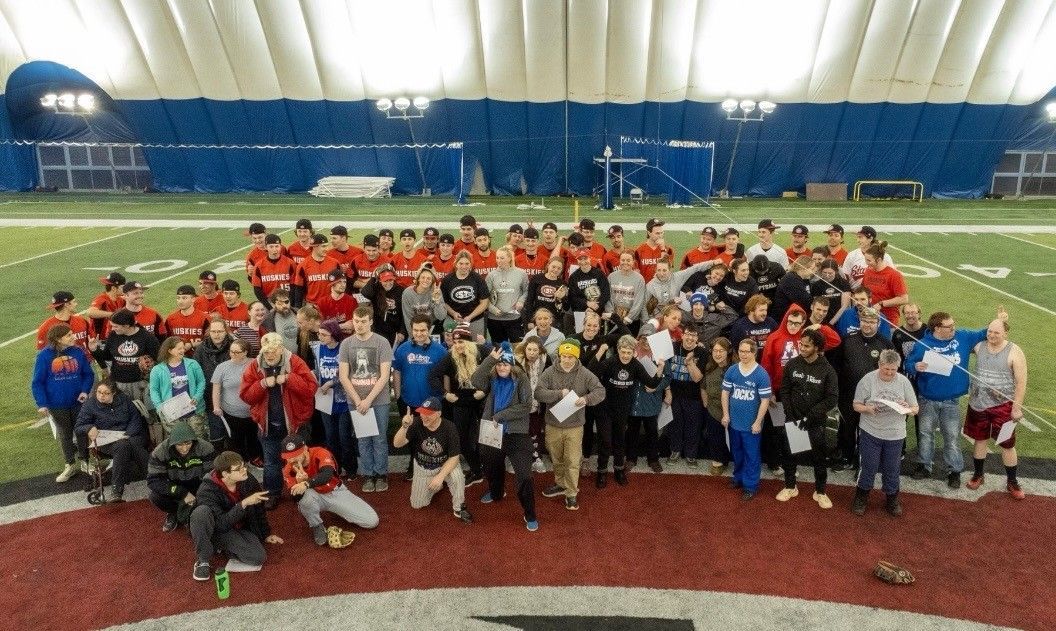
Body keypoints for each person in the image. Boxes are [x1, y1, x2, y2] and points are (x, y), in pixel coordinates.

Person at [240, 332, 318, 506]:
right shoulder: (255, 366)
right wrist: (262, 384)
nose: (270, 356)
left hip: (295, 424)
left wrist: (290, 379)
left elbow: (310, 389)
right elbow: (246, 396)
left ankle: (302, 491)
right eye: (266, 352)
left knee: (299, 460)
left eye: (274, 352)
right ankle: (273, 494)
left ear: (282, 349)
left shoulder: (295, 362)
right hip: (268, 425)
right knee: (271, 463)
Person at [471, 343, 539, 531]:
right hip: (492, 432)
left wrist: (501, 415)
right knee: (491, 466)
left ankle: (530, 513)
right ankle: (496, 492)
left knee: (524, 476)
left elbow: (526, 406)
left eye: (505, 364)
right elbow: (475, 380)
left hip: (516, 434)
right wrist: (490, 359)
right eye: (499, 364)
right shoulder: (491, 377)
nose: (502, 367)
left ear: (512, 366)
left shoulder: (521, 379)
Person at [535, 338, 606, 511]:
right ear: (559, 356)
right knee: (557, 458)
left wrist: (586, 399)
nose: (566, 360)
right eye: (563, 356)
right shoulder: (550, 372)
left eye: (570, 356)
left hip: (574, 426)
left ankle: (571, 493)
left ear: (576, 357)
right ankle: (561, 484)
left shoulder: (585, 373)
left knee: (573, 461)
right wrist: (559, 394)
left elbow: (600, 391)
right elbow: (538, 393)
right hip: (553, 424)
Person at [190, 450, 282, 581]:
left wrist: (266, 533)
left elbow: (259, 509)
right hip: (217, 529)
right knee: (201, 513)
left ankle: (220, 547)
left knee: (258, 557)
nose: (244, 470)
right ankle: (203, 559)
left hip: (237, 528)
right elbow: (221, 524)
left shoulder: (248, 480)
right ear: (225, 474)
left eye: (244, 466)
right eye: (239, 469)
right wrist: (243, 504)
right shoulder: (206, 491)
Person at [965, 318, 1028, 499]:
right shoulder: (979, 346)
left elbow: (1021, 383)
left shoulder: (1015, 351)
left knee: (1006, 444)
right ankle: (978, 475)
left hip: (1003, 407)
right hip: (978, 404)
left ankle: (1012, 481)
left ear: (1006, 333)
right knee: (980, 440)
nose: (992, 335)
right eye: (989, 331)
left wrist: (1016, 408)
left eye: (997, 333)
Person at [775, 329, 839, 509]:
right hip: (794, 419)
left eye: (806, 345)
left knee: (819, 458)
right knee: (790, 454)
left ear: (817, 348)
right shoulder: (792, 364)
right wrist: (791, 413)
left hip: (815, 422)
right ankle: (790, 486)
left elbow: (832, 398)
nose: (801, 348)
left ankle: (820, 491)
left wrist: (810, 416)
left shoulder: (827, 370)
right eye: (800, 344)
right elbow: (784, 390)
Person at [852, 349, 919, 516]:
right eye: (886, 369)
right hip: (870, 431)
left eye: (893, 370)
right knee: (869, 466)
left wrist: (907, 409)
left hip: (895, 434)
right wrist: (867, 408)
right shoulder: (867, 380)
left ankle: (892, 498)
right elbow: (856, 405)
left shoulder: (903, 382)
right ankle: (861, 496)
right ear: (879, 364)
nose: (889, 373)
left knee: (892, 468)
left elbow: (915, 408)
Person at [282, 433, 379, 545]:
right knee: (306, 499)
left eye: (296, 454)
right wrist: (299, 484)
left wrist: (306, 483)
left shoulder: (320, 452)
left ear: (305, 449)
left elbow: (327, 475)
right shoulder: (288, 469)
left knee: (371, 521)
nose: (292, 459)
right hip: (314, 496)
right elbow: (296, 500)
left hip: (335, 492)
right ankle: (317, 526)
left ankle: (338, 509)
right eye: (288, 457)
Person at [594, 335, 665, 486]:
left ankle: (619, 470)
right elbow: (592, 373)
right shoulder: (610, 362)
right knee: (605, 441)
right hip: (605, 408)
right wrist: (599, 353)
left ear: (634, 352)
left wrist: (660, 368)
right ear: (618, 350)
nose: (625, 355)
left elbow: (651, 383)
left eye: (628, 352)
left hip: (623, 409)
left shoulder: (636, 365)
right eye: (623, 352)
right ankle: (601, 471)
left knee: (620, 440)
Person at [338, 306, 394, 493]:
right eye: (356, 321)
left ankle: (381, 474)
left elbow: (384, 376)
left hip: (378, 400)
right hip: (355, 400)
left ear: (370, 322)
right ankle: (368, 474)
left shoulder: (382, 342)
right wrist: (357, 399)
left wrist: (368, 400)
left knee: (379, 438)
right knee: (363, 438)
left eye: (363, 321)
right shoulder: (346, 344)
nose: (359, 325)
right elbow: (344, 376)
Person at [392, 397, 472, 523]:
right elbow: (397, 444)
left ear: (439, 413)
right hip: (423, 467)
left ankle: (459, 507)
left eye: (428, 413)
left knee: (457, 477)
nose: (424, 416)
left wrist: (440, 476)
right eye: (422, 412)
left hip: (445, 465)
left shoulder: (449, 427)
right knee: (417, 504)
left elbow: (454, 457)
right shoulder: (416, 423)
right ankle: (438, 486)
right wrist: (404, 426)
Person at [32, 323, 94, 482]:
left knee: (81, 431)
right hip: (57, 404)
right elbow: (38, 382)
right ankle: (70, 465)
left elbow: (88, 374)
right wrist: (42, 403)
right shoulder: (44, 356)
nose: (73, 337)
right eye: (69, 335)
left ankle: (85, 462)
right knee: (65, 434)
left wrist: (85, 391)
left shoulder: (78, 351)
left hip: (78, 402)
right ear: (58, 339)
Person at [834, 307, 894, 471]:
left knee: (868, 431)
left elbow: (891, 372)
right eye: (864, 321)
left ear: (878, 323)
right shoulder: (847, 340)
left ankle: (865, 461)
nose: (867, 325)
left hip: (873, 397)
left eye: (871, 322)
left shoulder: (886, 344)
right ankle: (846, 456)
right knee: (846, 427)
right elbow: (837, 366)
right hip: (848, 394)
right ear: (859, 321)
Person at [74, 380, 150, 503]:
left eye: (106, 393)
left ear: (113, 393)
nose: (101, 396)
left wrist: (128, 434)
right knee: (124, 446)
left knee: (129, 444)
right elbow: (78, 427)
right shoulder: (90, 404)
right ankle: (154, 478)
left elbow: (135, 418)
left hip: (129, 435)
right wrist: (89, 428)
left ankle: (117, 490)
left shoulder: (124, 399)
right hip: (107, 440)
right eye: (99, 392)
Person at [721, 338, 772, 501]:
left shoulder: (761, 374)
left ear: (754, 352)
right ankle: (738, 478)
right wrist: (726, 414)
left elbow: (765, 400)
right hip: (734, 423)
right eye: (740, 351)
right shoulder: (732, 370)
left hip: (751, 426)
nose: (743, 354)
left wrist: (758, 422)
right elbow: (725, 393)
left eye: (746, 351)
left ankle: (750, 485)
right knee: (737, 453)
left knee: (752, 455)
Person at [147, 421, 215, 532]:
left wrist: (200, 493)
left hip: (199, 485)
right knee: (154, 496)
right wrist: (182, 493)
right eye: (179, 445)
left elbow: (212, 475)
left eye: (188, 443)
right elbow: (153, 480)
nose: (184, 448)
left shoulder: (206, 447)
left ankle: (194, 512)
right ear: (172, 443)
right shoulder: (160, 452)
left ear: (193, 440)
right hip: (175, 487)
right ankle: (174, 512)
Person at [91, 308, 160, 408]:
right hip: (118, 384)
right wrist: (95, 350)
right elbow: (107, 357)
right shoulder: (113, 335)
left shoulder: (147, 338)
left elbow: (158, 359)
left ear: (127, 325)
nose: (112, 328)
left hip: (141, 385)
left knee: (145, 415)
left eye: (115, 326)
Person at [314, 320, 355, 478]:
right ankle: (335, 468)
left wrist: (332, 382)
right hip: (325, 399)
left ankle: (350, 469)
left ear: (334, 334)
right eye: (319, 334)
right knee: (330, 437)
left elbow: (349, 372)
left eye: (324, 334)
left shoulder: (343, 348)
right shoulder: (318, 349)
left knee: (344, 437)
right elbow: (318, 370)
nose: (320, 337)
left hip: (342, 399)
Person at [149, 336, 209, 440]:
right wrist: (159, 407)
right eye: (179, 348)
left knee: (198, 439)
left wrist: (197, 397)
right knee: (177, 441)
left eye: (183, 347)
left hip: (194, 411)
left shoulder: (192, 364)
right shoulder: (157, 370)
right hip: (171, 413)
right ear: (170, 350)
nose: (183, 350)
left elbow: (201, 382)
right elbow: (154, 390)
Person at [627, 335, 671, 473]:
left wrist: (656, 387)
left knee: (652, 432)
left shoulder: (660, 356)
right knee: (632, 431)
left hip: (651, 401)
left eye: (649, 339)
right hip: (634, 399)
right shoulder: (631, 353)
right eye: (643, 339)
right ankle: (630, 458)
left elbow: (668, 377)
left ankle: (653, 459)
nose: (645, 342)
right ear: (638, 339)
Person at [211, 339, 258, 462]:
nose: (233, 354)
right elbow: (216, 388)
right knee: (235, 441)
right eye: (231, 351)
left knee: (253, 439)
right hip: (231, 413)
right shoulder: (222, 367)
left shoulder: (255, 364)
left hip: (253, 412)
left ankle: (254, 459)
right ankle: (239, 463)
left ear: (245, 352)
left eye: (237, 352)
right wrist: (216, 406)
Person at [665, 325, 706, 467]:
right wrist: (668, 392)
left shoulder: (702, 352)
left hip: (693, 397)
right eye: (688, 334)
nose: (690, 338)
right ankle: (675, 451)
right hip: (674, 394)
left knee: (693, 427)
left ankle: (691, 455)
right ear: (682, 335)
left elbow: (697, 378)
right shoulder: (672, 348)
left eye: (694, 336)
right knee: (674, 425)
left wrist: (689, 363)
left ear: (697, 338)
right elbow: (665, 373)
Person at [194, 315, 234, 444]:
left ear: (226, 331)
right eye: (213, 331)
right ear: (208, 332)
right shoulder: (201, 349)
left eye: (220, 331)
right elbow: (196, 373)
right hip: (210, 396)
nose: (216, 335)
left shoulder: (234, 347)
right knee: (216, 430)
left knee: (233, 430)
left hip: (231, 394)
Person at [515, 336, 552, 473]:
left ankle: (537, 457)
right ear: (525, 349)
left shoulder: (545, 359)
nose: (532, 353)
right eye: (529, 349)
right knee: (522, 432)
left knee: (536, 431)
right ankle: (521, 459)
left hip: (538, 403)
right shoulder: (517, 361)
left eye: (535, 350)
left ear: (540, 350)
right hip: (521, 403)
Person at [440, 251, 490, 339]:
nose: (464, 266)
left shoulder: (478, 279)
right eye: (461, 263)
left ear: (471, 264)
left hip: (475, 320)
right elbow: (443, 302)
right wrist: (453, 313)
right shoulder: (447, 280)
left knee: (475, 347)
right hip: (453, 319)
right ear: (456, 264)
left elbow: (485, 302)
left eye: (467, 263)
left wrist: (470, 317)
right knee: (452, 345)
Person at [701, 337, 733, 475]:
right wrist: (706, 402)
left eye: (721, 351)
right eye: (715, 351)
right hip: (713, 408)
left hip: (733, 409)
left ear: (728, 352)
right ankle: (718, 460)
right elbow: (703, 386)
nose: (718, 354)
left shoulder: (735, 368)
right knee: (715, 436)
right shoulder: (709, 367)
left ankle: (733, 460)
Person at [485, 246, 529, 343]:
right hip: (495, 319)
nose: (499, 260)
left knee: (517, 348)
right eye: (497, 258)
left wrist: (521, 301)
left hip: (514, 319)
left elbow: (526, 291)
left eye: (502, 258)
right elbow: (484, 297)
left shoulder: (521, 274)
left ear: (509, 258)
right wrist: (492, 309)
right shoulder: (491, 275)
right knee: (499, 349)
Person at [861, 241, 909, 326]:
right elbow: (863, 291)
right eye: (865, 260)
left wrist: (882, 304)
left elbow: (904, 299)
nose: (866, 263)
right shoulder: (868, 271)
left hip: (887, 320)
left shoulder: (894, 275)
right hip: (869, 319)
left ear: (879, 260)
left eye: (869, 260)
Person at [361, 268, 405, 346]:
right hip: (378, 329)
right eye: (385, 281)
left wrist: (402, 332)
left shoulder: (401, 291)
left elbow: (404, 313)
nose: (388, 283)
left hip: (395, 330)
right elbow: (365, 292)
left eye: (390, 280)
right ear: (380, 281)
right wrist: (373, 278)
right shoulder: (376, 289)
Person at [606, 251, 646, 332]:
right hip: (614, 320)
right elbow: (608, 298)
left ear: (633, 262)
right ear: (619, 261)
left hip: (631, 322)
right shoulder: (611, 277)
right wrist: (612, 315)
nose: (625, 263)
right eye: (623, 260)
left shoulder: (639, 279)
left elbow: (639, 301)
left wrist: (629, 318)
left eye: (628, 260)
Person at [293, 233, 335, 308]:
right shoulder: (303, 265)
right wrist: (297, 310)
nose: (327, 249)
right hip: (312, 306)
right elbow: (299, 290)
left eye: (327, 246)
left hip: (331, 304)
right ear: (314, 247)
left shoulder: (335, 263)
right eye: (323, 246)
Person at [401, 267, 447, 335]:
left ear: (432, 281)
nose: (425, 280)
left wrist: (437, 301)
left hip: (433, 327)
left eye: (429, 278)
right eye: (423, 277)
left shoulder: (436, 291)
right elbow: (408, 318)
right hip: (416, 328)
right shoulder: (408, 293)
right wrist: (413, 337)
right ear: (418, 279)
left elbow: (441, 317)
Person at [771, 255, 816, 320]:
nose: (813, 272)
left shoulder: (803, 279)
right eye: (812, 269)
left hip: (794, 316)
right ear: (803, 268)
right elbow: (805, 302)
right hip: (783, 319)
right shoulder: (791, 279)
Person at [525, 257, 568, 323]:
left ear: (561, 270)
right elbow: (529, 300)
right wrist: (530, 321)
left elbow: (566, 307)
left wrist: (562, 298)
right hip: (538, 317)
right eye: (553, 267)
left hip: (554, 320)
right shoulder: (537, 278)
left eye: (559, 268)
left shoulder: (563, 284)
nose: (556, 270)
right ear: (548, 266)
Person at [634, 218, 674, 282]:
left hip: (662, 288)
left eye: (662, 233)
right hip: (645, 289)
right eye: (657, 233)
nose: (660, 236)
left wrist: (662, 249)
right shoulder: (638, 251)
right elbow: (636, 274)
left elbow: (669, 271)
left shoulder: (669, 250)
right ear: (649, 233)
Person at [262, 288, 299, 352]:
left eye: (286, 302)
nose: (284, 305)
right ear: (273, 305)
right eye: (280, 303)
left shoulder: (299, 313)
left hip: (301, 358)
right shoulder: (268, 320)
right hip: (281, 358)